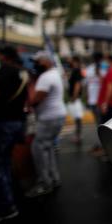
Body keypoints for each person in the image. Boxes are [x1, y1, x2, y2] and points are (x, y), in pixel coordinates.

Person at [0, 46, 29, 222]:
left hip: (3, 121)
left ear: (4, 57)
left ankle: (7, 206)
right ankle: (10, 195)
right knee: (5, 160)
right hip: (18, 121)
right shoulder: (23, 73)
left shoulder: (5, 71)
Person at [26, 51, 67, 198]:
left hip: (49, 118)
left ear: (47, 62)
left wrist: (30, 84)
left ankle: (45, 183)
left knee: (38, 148)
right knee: (47, 147)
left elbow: (35, 100)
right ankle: (54, 178)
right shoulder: (55, 73)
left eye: (38, 61)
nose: (36, 64)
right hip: (57, 115)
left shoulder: (45, 77)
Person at [97, 54, 112, 124]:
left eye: (104, 60)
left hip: (110, 104)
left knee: (106, 125)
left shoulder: (111, 71)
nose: (103, 62)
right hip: (111, 104)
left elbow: (110, 89)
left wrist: (105, 104)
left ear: (109, 61)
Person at [67, 55, 84, 143]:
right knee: (77, 118)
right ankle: (78, 136)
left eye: (70, 59)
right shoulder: (75, 70)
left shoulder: (76, 70)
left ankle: (78, 136)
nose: (68, 60)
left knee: (78, 118)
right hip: (75, 98)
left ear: (74, 61)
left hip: (75, 98)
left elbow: (77, 84)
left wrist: (74, 96)